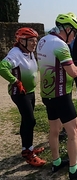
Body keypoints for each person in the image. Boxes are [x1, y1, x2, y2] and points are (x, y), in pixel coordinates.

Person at [36, 12, 77, 179]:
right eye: (74, 33)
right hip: (61, 95)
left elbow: (55, 64)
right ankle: (74, 169)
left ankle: (56, 162)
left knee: (54, 129)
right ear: (68, 29)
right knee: (74, 131)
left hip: (47, 94)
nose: (74, 37)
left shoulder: (42, 40)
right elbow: (74, 72)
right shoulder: (61, 45)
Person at [0, 27, 46, 167]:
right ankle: (29, 153)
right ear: (21, 41)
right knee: (30, 121)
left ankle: (27, 149)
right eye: (31, 40)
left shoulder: (29, 51)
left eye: (35, 40)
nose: (34, 43)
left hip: (29, 91)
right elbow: (2, 67)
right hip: (20, 93)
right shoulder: (16, 53)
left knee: (26, 120)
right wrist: (16, 81)